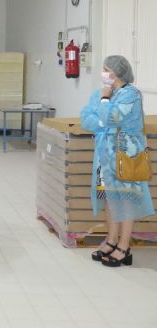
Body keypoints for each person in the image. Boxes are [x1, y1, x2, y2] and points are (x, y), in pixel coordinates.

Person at [80, 55, 154, 267]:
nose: (103, 73)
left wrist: (105, 103)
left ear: (117, 73)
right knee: (108, 198)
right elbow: (87, 117)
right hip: (104, 156)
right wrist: (102, 119)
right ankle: (111, 240)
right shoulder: (102, 92)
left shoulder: (131, 94)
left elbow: (113, 118)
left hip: (124, 156)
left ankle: (124, 246)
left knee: (125, 200)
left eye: (106, 69)